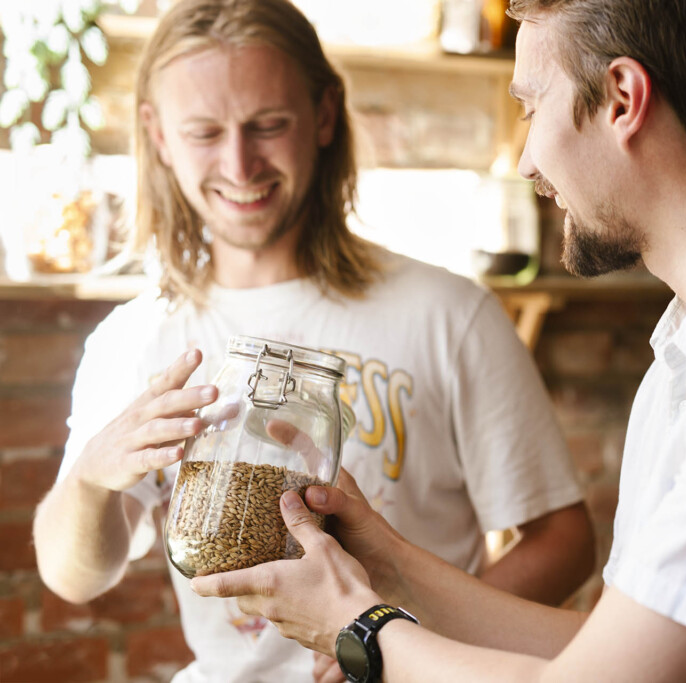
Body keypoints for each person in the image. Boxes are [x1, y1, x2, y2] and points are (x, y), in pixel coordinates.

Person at [190, 0, 686, 681]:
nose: (530, 157)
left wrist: (359, 628)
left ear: (621, 99)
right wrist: (387, 562)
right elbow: (610, 654)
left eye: (531, 105)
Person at [31, 1, 597, 681]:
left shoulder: (448, 314)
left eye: (268, 125)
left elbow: (563, 539)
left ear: (324, 116)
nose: (240, 165)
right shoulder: (136, 339)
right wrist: (93, 477)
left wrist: (390, 636)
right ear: (156, 135)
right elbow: (75, 577)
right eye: (205, 132)